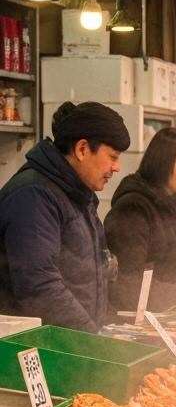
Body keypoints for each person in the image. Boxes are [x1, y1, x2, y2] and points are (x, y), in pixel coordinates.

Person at [0, 101, 130, 331]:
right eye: (112, 156)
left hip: (70, 344)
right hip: (35, 347)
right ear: (82, 149)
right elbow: (39, 285)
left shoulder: (79, 193)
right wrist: (90, 339)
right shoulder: (34, 196)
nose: (116, 167)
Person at [105, 128, 176, 315]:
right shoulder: (133, 207)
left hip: (168, 314)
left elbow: (163, 265)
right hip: (136, 318)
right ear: (161, 163)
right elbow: (130, 278)